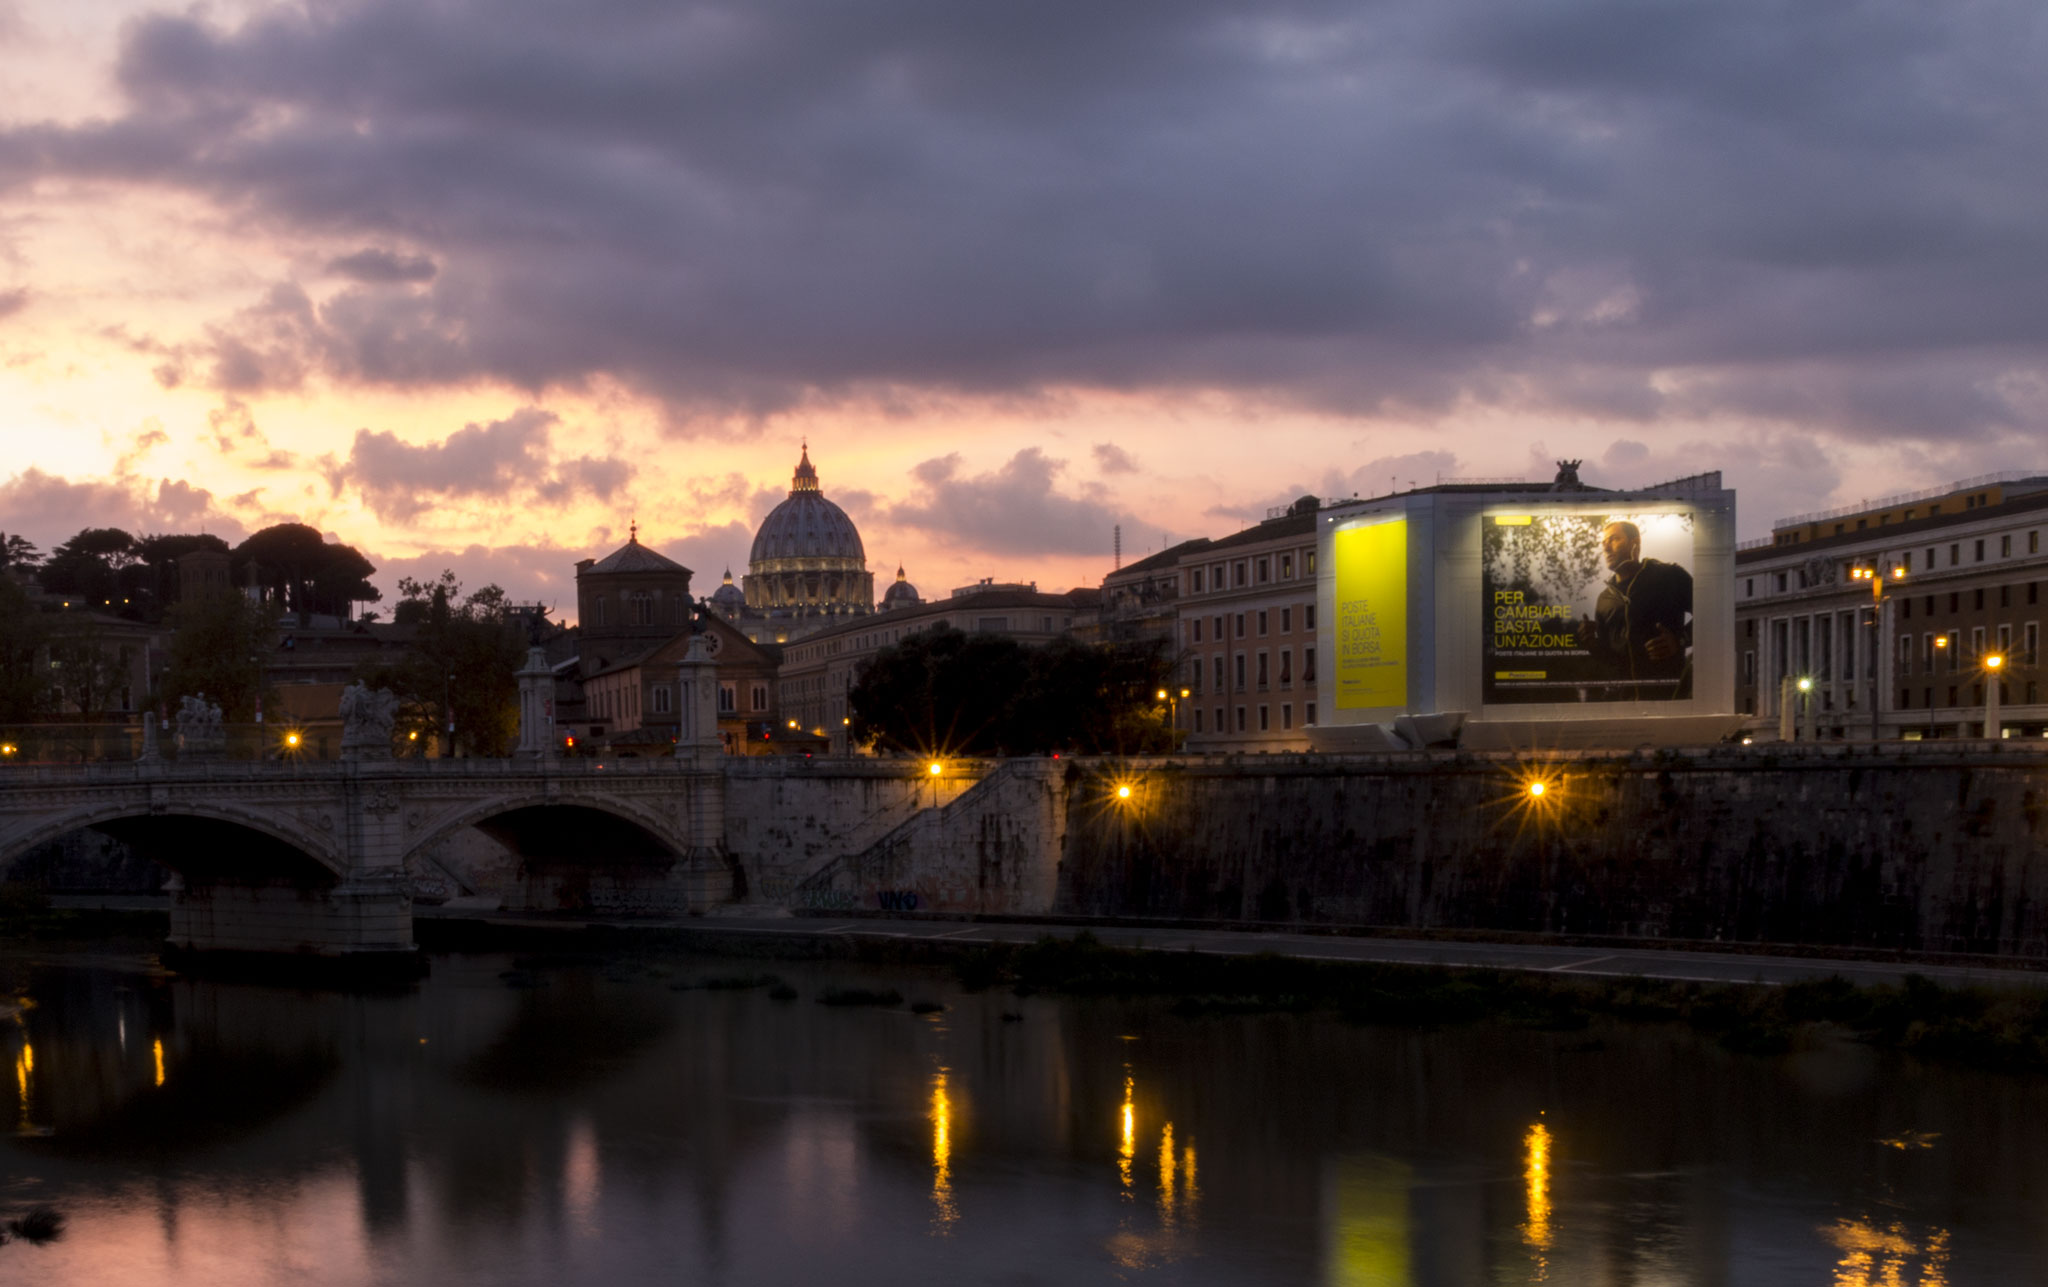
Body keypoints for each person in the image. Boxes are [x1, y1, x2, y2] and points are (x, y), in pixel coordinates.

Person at [1586, 520, 1692, 699]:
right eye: (1604, 543)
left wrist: (1680, 640)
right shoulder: (1604, 600)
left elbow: (1711, 614)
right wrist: (1590, 643)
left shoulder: (1670, 576)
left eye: (1614, 539)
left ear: (1635, 542)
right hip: (1622, 708)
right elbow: (1608, 660)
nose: (1606, 548)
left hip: (1670, 700)